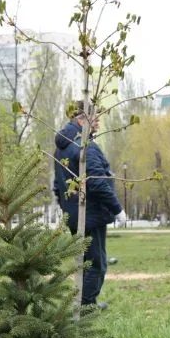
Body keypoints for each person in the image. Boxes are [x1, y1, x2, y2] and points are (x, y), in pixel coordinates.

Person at [52, 101, 123, 309]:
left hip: (75, 216)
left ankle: (83, 304)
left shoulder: (61, 150)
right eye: (96, 118)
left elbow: (57, 187)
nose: (99, 122)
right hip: (91, 215)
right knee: (97, 264)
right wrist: (118, 209)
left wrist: (68, 210)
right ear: (82, 119)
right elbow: (98, 182)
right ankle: (86, 308)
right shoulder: (85, 148)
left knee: (84, 262)